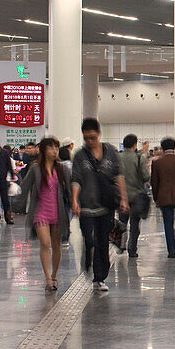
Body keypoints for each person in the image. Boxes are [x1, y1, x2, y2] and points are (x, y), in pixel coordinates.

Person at [70, 118, 127, 291]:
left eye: (92, 137)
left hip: (106, 205)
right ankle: (88, 262)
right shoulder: (80, 155)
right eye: (86, 138)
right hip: (86, 207)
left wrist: (123, 198)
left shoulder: (111, 152)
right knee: (89, 240)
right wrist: (74, 200)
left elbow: (119, 176)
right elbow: (76, 179)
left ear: (99, 133)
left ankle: (99, 277)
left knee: (102, 241)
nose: (89, 141)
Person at [21, 136, 70, 290]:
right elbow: (25, 187)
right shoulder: (35, 168)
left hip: (58, 212)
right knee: (45, 243)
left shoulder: (62, 169)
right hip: (41, 211)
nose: (55, 151)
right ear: (44, 150)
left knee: (56, 245)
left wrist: (76, 203)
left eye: (56, 147)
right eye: (51, 147)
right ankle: (48, 279)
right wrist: (16, 204)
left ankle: (54, 275)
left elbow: (70, 188)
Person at [149, 136, 175, 258]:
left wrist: (155, 198)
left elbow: (154, 182)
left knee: (168, 223)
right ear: (174, 146)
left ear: (162, 148)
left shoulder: (157, 163)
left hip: (163, 197)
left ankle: (171, 250)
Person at [118, 133, 150, 258]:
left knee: (122, 223)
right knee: (135, 224)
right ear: (135, 144)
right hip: (136, 196)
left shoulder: (117, 158)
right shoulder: (139, 158)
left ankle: (121, 245)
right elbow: (146, 176)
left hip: (122, 196)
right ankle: (132, 249)